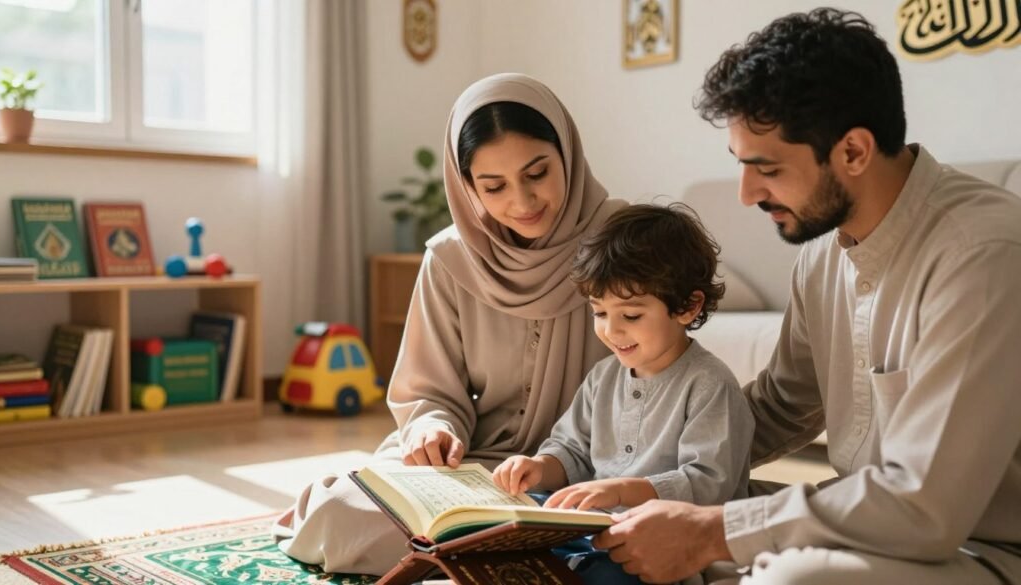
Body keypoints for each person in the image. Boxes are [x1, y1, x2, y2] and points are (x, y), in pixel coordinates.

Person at [592, 8, 1021, 584]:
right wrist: (641, 477)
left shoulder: (982, 254)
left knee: (788, 576)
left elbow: (925, 505)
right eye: (741, 166)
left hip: (979, 545)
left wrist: (710, 531)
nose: (746, 194)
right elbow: (781, 405)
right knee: (635, 527)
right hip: (866, 518)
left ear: (854, 151)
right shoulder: (823, 254)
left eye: (766, 168)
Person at [272, 73, 627, 576]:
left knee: (628, 531)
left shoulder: (623, 242)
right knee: (342, 515)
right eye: (494, 186)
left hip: (587, 470)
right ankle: (514, 559)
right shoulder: (450, 259)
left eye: (537, 173)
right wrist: (433, 428)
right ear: (467, 187)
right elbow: (428, 389)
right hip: (475, 471)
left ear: (567, 154)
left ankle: (486, 558)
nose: (523, 202)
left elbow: (657, 373)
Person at [492, 203, 754, 585]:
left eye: (630, 316)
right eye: (600, 313)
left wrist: (620, 490)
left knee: (609, 574)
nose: (611, 331)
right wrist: (538, 467)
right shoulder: (603, 376)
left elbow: (707, 484)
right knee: (507, 525)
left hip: (658, 544)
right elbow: (572, 450)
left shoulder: (710, 385)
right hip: (592, 528)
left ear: (687, 306)